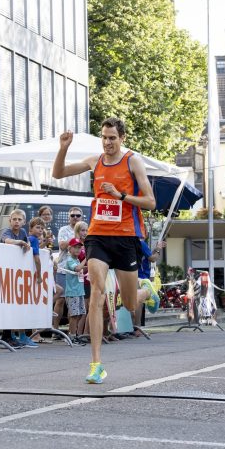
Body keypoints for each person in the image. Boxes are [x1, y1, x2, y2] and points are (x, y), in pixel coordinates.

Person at [53, 117, 156, 383]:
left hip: (125, 237)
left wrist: (120, 195)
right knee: (97, 293)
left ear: (122, 138)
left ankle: (148, 291)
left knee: (131, 304)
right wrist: (63, 147)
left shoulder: (132, 161)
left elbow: (150, 202)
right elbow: (58, 173)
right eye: (104, 137)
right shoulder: (94, 161)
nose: (108, 142)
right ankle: (96, 364)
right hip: (98, 235)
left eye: (112, 138)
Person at [0, 209, 38, 349]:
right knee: (6, 302)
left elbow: (28, 247)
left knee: (15, 304)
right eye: (14, 219)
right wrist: (19, 242)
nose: (16, 221)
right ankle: (6, 335)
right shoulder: (7, 232)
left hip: (16, 274)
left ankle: (14, 335)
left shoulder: (23, 233)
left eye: (19, 219)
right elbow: (7, 240)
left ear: (24, 222)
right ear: (9, 221)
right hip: (4, 272)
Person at [65, 237, 87, 344]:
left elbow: (81, 268)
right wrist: (86, 259)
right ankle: (72, 336)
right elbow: (78, 268)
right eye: (75, 247)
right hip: (72, 292)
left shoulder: (77, 260)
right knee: (74, 315)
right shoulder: (70, 260)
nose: (78, 250)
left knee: (79, 314)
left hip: (79, 291)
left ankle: (73, 333)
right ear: (70, 249)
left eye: (79, 248)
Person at [74, 220, 90, 339]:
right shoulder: (76, 246)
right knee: (82, 309)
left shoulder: (88, 244)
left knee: (87, 308)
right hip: (80, 280)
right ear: (77, 232)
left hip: (90, 280)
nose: (84, 233)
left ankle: (84, 333)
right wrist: (89, 265)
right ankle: (78, 334)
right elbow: (76, 267)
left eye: (86, 230)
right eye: (82, 230)